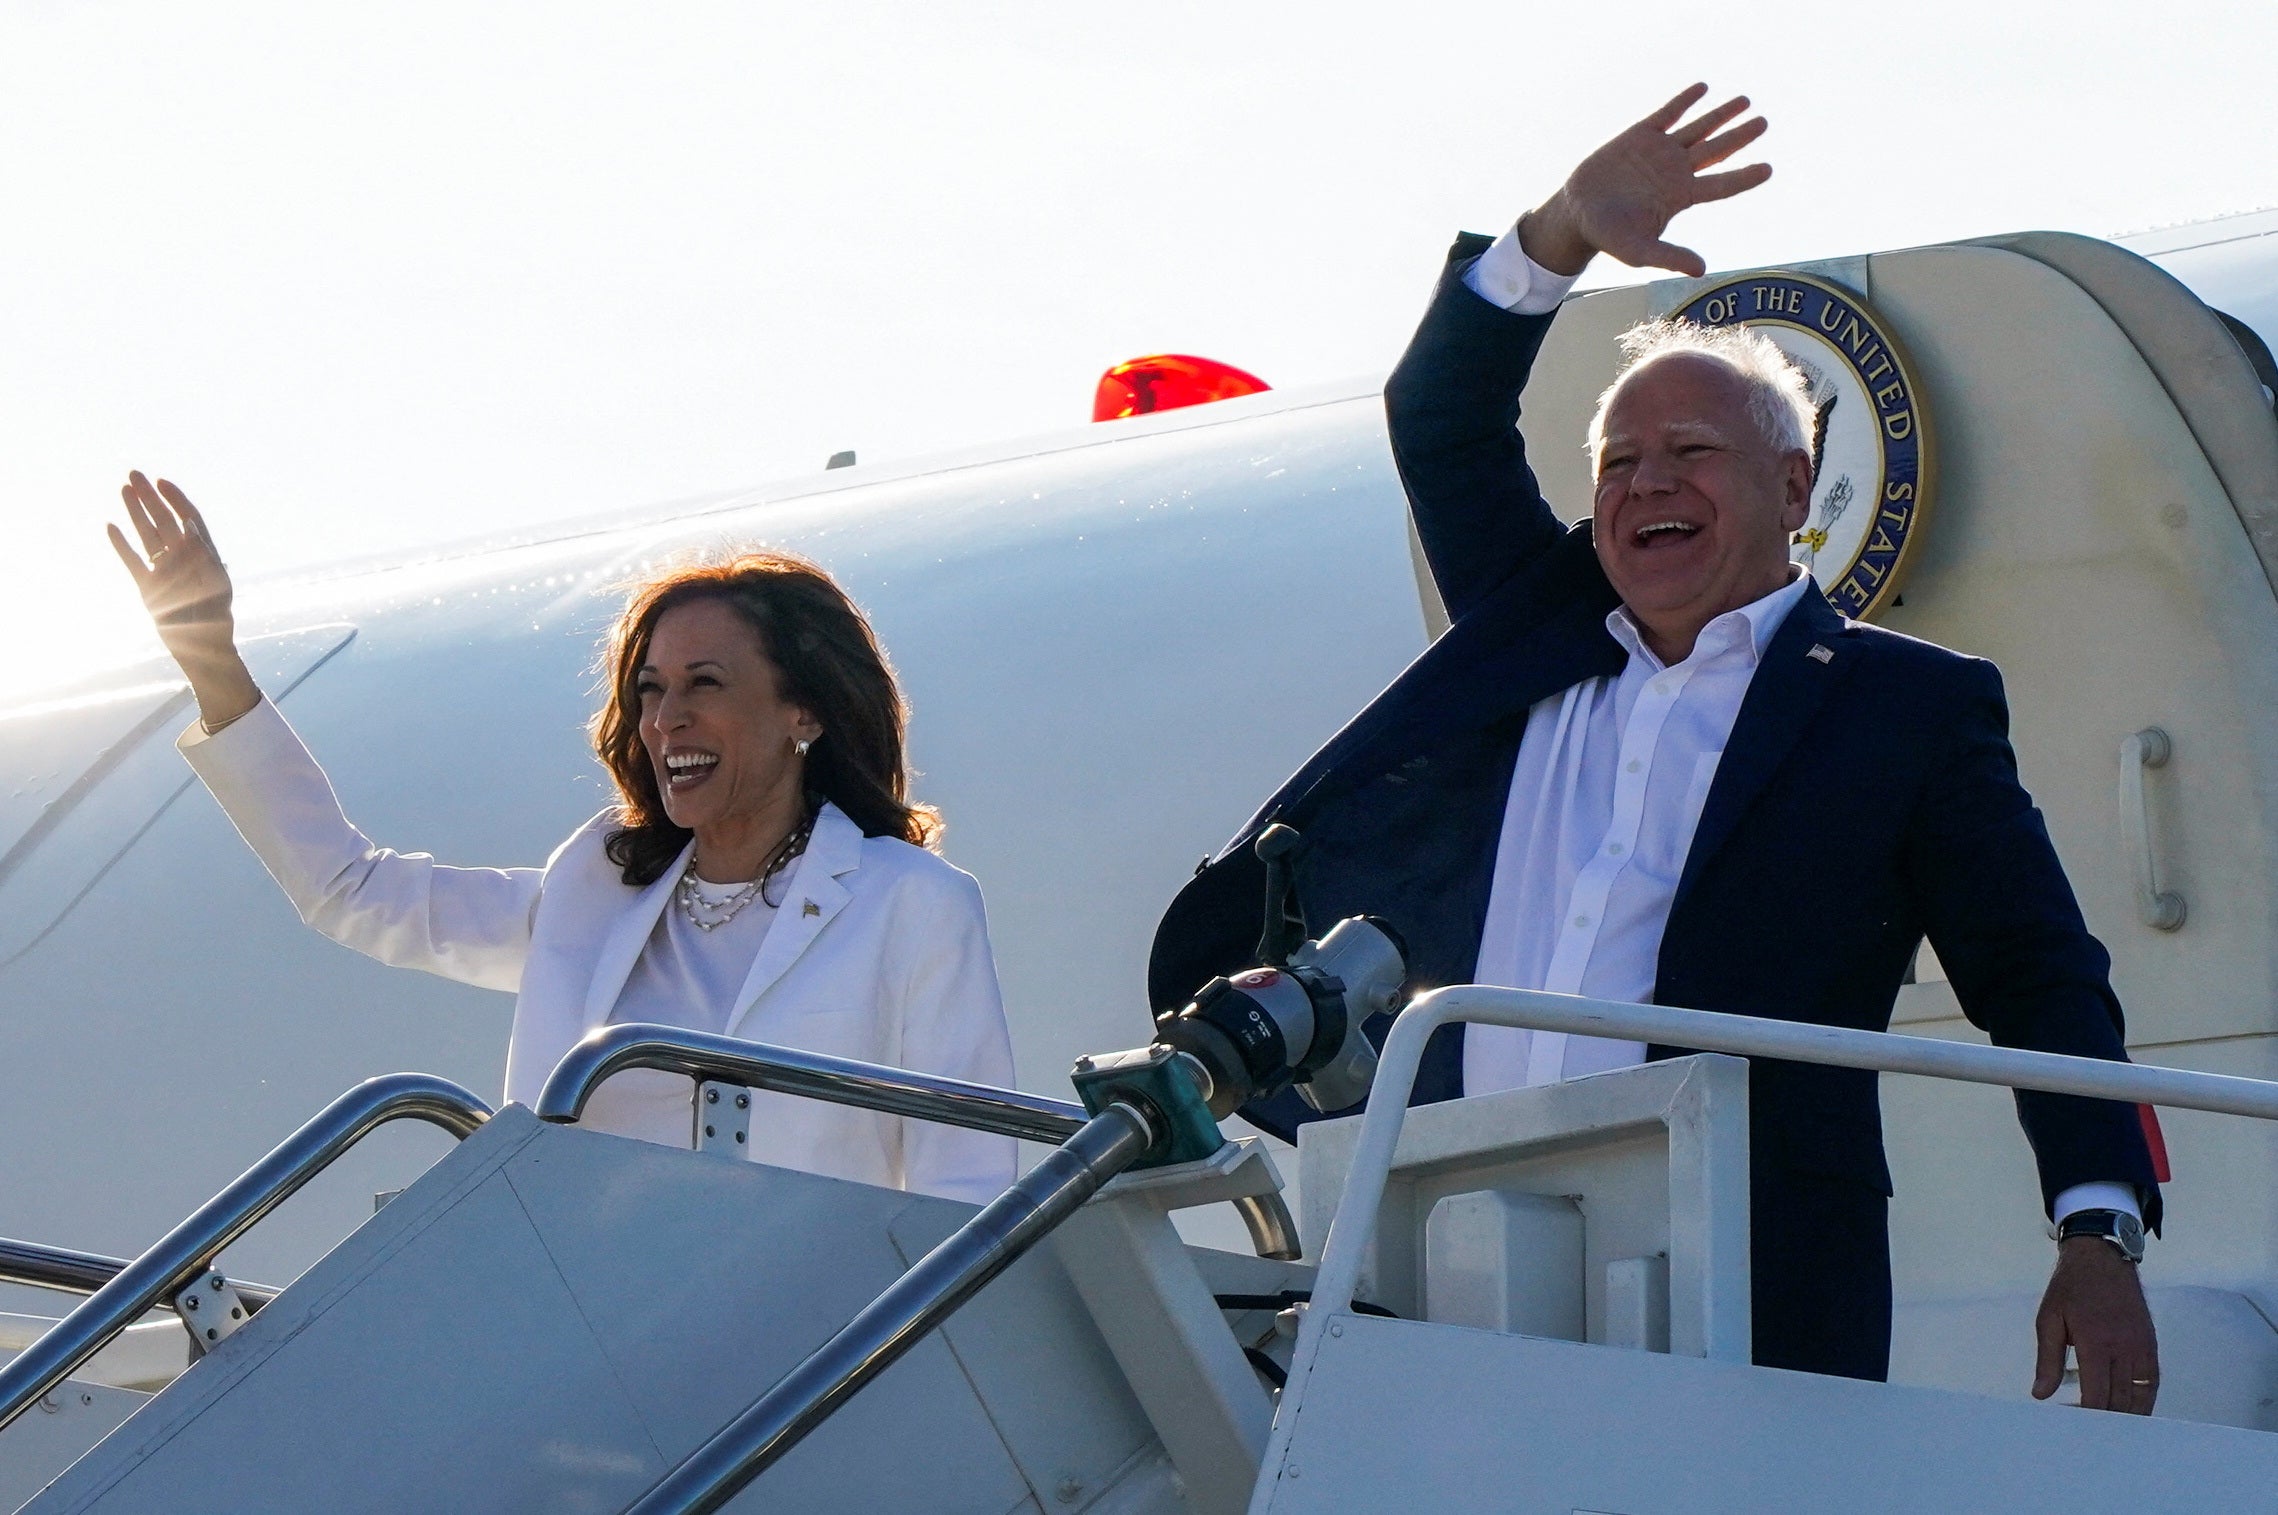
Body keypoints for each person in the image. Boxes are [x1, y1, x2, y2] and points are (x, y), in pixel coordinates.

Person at [1150, 86, 2164, 1408]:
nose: (1644, 485)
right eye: (1618, 461)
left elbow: (2038, 975)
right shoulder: (1533, 633)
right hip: (1440, 1234)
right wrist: (1560, 229)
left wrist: (2096, 1224)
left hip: (1740, 1268)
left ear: (1794, 491)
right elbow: (1440, 418)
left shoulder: (1902, 709)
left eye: (1690, 450)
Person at [108, 472, 1016, 1205]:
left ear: (801, 711)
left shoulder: (911, 902)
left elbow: (967, 1188)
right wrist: (213, 665)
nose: (668, 719)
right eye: (651, 690)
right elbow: (353, 888)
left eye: (705, 683)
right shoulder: (595, 883)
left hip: (799, 1360)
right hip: (589, 1337)